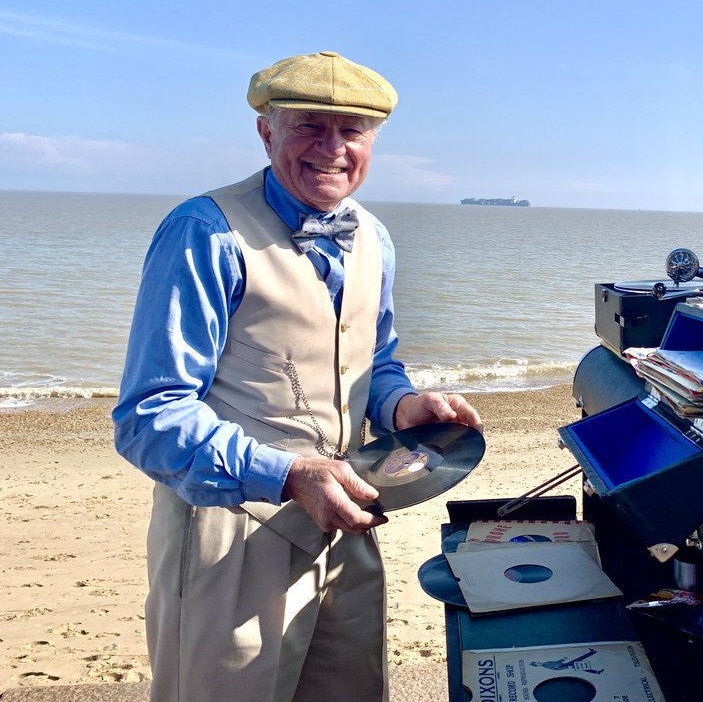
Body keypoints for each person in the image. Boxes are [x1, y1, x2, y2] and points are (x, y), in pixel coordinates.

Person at [114, 50, 482, 702]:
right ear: (267, 131)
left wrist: (402, 408)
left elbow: (379, 361)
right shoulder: (204, 232)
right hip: (227, 540)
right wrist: (287, 474)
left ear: (373, 141)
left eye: (352, 131)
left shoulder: (376, 238)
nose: (332, 148)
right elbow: (150, 415)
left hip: (349, 526)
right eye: (310, 126)